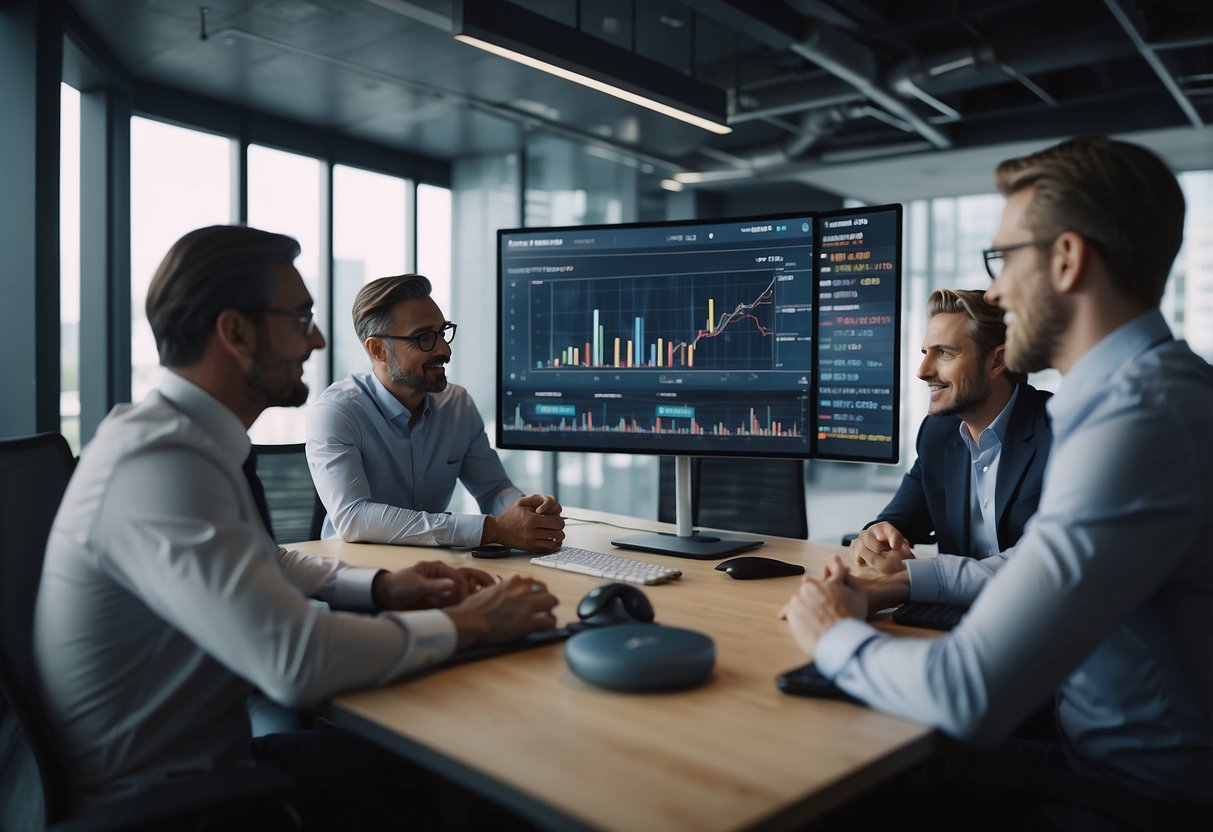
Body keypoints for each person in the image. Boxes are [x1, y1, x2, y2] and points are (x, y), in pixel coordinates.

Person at [33, 225, 559, 813]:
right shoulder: (162, 462)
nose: (315, 339)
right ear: (234, 332)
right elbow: (296, 662)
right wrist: (471, 624)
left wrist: (384, 585)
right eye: (298, 318)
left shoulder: (184, 441)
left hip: (204, 765)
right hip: (170, 803)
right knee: (467, 776)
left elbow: (265, 557)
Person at [782, 136, 1212, 821]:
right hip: (1087, 754)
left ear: (1066, 260)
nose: (993, 288)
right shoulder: (1137, 399)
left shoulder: (1141, 421)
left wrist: (830, 631)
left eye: (1003, 258)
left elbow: (967, 693)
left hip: (1137, 798)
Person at [306, 273, 565, 551]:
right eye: (424, 338)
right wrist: (492, 529)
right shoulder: (338, 411)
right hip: (360, 576)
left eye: (442, 332)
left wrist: (525, 511)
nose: (444, 349)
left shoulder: (457, 405)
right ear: (378, 349)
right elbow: (354, 517)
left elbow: (493, 490)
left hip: (438, 571)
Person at [851, 288, 1052, 574]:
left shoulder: (1060, 431)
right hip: (950, 611)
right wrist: (876, 537)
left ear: (996, 361)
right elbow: (898, 520)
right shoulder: (938, 433)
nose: (922, 371)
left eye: (944, 353)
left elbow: (1044, 564)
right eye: (925, 353)